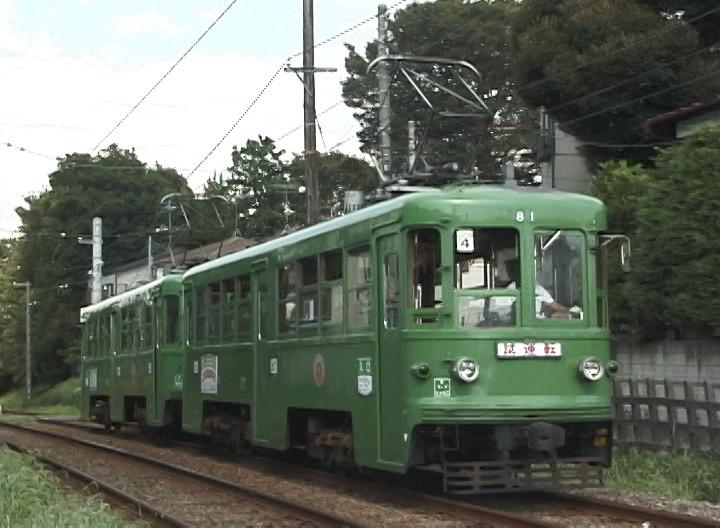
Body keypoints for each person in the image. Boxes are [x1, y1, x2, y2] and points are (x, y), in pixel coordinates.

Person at [504, 257, 570, 318]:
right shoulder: (511, 287)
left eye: (509, 270)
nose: (509, 272)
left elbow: (552, 304)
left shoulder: (536, 287)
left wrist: (570, 312)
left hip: (538, 320)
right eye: (508, 270)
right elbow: (503, 308)